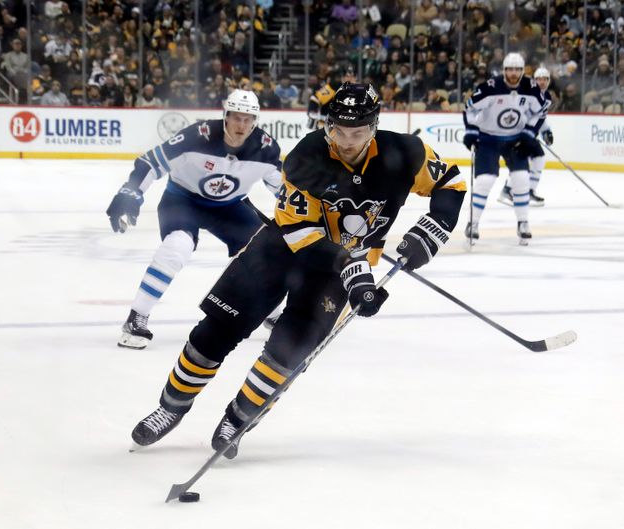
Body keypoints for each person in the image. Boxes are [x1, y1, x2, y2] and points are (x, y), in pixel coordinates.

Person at [129, 83, 466, 457]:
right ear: (328, 126)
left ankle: (236, 420)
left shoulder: (406, 151)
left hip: (338, 270)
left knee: (286, 355)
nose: (347, 141)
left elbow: (450, 180)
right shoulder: (307, 155)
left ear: (374, 127)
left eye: (357, 132)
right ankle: (170, 407)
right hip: (281, 250)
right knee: (215, 330)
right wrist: (351, 266)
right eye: (339, 130)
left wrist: (434, 229)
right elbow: (298, 230)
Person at [106, 90, 283, 349]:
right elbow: (151, 162)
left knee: (260, 251)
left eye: (248, 119)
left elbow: (286, 190)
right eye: (236, 118)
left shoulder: (266, 149)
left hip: (229, 206)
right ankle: (136, 317)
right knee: (177, 247)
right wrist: (130, 192)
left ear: (255, 120)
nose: (241, 125)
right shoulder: (197, 136)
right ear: (225, 116)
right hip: (183, 200)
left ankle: (274, 316)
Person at [462, 53, 548, 245]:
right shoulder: (490, 88)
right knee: (485, 180)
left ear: (523, 70)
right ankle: (473, 223)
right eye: (510, 69)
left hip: (515, 140)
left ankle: (523, 222)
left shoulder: (532, 88)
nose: (513, 73)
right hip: (488, 138)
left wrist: (528, 134)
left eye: (518, 69)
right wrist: (471, 133)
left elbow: (540, 113)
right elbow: (469, 108)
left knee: (521, 179)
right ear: (504, 70)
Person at [498, 66, 554, 207]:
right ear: (534, 81)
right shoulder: (525, 93)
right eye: (539, 79)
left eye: (545, 79)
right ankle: (508, 190)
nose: (542, 82)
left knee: (538, 158)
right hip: (517, 133)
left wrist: (546, 130)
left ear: (549, 81)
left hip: (528, 135)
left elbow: (540, 118)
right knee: (522, 160)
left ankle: (528, 190)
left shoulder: (547, 98)